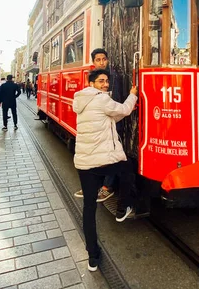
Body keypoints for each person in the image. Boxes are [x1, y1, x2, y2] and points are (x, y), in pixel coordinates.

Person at [74, 69, 138, 271]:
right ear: (92, 83)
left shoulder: (82, 100)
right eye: (101, 81)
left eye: (107, 81)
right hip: (101, 160)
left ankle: (92, 257)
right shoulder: (102, 99)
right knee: (128, 168)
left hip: (84, 164)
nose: (105, 84)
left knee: (89, 209)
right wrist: (133, 95)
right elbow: (124, 110)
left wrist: (122, 110)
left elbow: (106, 119)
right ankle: (122, 209)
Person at [74, 48, 117, 202]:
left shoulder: (114, 76)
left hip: (111, 119)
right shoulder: (92, 77)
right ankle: (92, 187)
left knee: (112, 154)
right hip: (97, 122)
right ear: (93, 62)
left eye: (103, 59)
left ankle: (106, 187)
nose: (101, 62)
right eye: (97, 59)